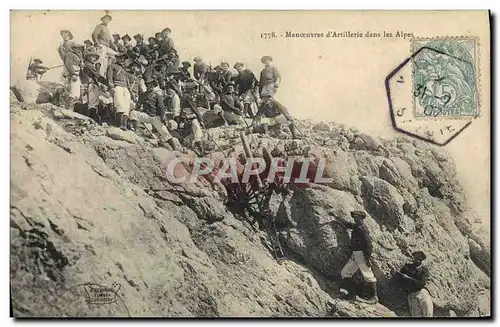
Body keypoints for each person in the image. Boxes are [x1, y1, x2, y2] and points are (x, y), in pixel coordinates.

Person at [335, 211, 378, 304]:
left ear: (361, 218)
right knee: (345, 272)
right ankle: (348, 293)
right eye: (354, 216)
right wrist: (336, 216)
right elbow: (347, 224)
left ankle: (374, 297)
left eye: (357, 216)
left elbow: (368, 244)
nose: (355, 218)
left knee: (368, 275)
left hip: (361, 254)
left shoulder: (362, 228)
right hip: (355, 254)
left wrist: (367, 257)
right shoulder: (356, 226)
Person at [129, 78, 181, 151]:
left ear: (153, 87)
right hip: (146, 116)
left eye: (152, 86)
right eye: (148, 86)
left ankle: (174, 148)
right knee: (133, 113)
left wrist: (163, 117)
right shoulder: (143, 95)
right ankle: (136, 131)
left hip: (155, 117)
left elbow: (161, 107)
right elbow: (138, 104)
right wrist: (135, 109)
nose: (150, 87)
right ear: (146, 86)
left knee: (165, 132)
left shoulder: (157, 96)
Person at [395, 251, 433, 317]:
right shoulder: (407, 267)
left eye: (420, 258)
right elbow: (399, 278)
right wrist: (395, 274)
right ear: (413, 257)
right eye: (416, 257)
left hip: (422, 293)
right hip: (411, 295)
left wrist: (408, 278)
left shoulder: (424, 270)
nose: (418, 259)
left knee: (428, 314)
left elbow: (422, 283)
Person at [81, 48, 107, 123]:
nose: (94, 58)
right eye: (92, 56)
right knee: (93, 103)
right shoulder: (89, 65)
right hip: (91, 85)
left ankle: (91, 118)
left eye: (95, 57)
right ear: (88, 57)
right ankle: (93, 119)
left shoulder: (87, 65)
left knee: (90, 102)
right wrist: (107, 83)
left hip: (88, 84)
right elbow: (97, 75)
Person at [107, 53, 132, 130]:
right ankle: (119, 124)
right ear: (117, 58)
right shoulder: (112, 66)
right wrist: (111, 85)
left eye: (123, 59)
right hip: (117, 86)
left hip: (125, 88)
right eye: (120, 58)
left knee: (126, 106)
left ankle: (124, 125)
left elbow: (127, 82)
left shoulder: (125, 70)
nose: (122, 60)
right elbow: (109, 77)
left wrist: (130, 91)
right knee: (120, 104)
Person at [180, 81, 206, 154]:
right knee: (197, 128)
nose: (194, 91)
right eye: (192, 89)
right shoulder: (188, 97)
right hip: (189, 116)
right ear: (188, 90)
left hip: (184, 116)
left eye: (194, 89)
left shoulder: (184, 96)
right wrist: (201, 119)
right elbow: (194, 108)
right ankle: (201, 148)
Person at [64, 43, 84, 111]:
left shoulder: (78, 56)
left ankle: (73, 109)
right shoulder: (69, 54)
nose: (78, 50)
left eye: (79, 48)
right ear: (72, 48)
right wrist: (73, 74)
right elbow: (68, 64)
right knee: (73, 92)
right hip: (73, 75)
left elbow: (81, 66)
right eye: (76, 48)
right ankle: (70, 109)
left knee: (78, 93)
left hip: (78, 75)